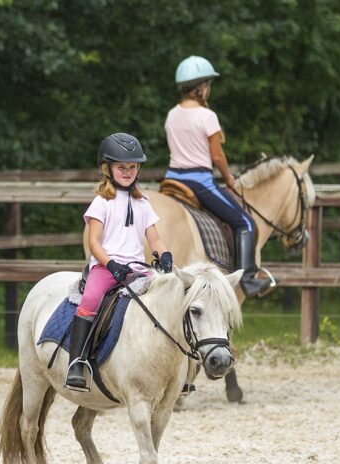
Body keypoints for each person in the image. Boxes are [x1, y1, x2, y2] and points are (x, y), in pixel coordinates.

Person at [67, 133, 173, 392]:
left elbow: (155, 238)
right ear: (108, 168)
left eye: (132, 167)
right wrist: (110, 264)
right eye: (121, 167)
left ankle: (177, 368)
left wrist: (165, 254)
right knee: (91, 298)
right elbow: (94, 242)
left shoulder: (142, 202)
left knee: (171, 297)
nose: (127, 172)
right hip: (106, 267)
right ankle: (77, 362)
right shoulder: (101, 202)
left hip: (137, 268)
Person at [163, 55, 271, 297]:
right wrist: (229, 178)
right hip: (198, 181)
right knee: (245, 223)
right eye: (208, 85)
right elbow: (217, 156)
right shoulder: (207, 116)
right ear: (201, 88)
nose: (208, 89)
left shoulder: (172, 114)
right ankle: (249, 279)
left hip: (172, 179)